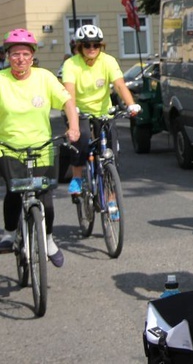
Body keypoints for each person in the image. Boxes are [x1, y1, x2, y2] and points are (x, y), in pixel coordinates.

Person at [0, 29, 80, 266]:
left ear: (32, 56)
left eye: (25, 54)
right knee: (14, 191)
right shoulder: (1, 80)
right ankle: (11, 233)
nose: (20, 59)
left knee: (45, 199)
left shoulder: (44, 77)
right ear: (7, 56)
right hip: (9, 148)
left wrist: (73, 127)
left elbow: (67, 101)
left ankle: (48, 238)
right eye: (15, 54)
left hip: (42, 147)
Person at [61, 25, 140, 200]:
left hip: (103, 111)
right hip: (79, 111)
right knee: (81, 139)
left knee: (111, 154)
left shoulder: (108, 61)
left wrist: (131, 104)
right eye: (87, 45)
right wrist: (72, 111)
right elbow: (69, 91)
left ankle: (111, 199)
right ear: (80, 47)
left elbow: (119, 85)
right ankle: (77, 177)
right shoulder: (71, 64)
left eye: (96, 45)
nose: (92, 49)